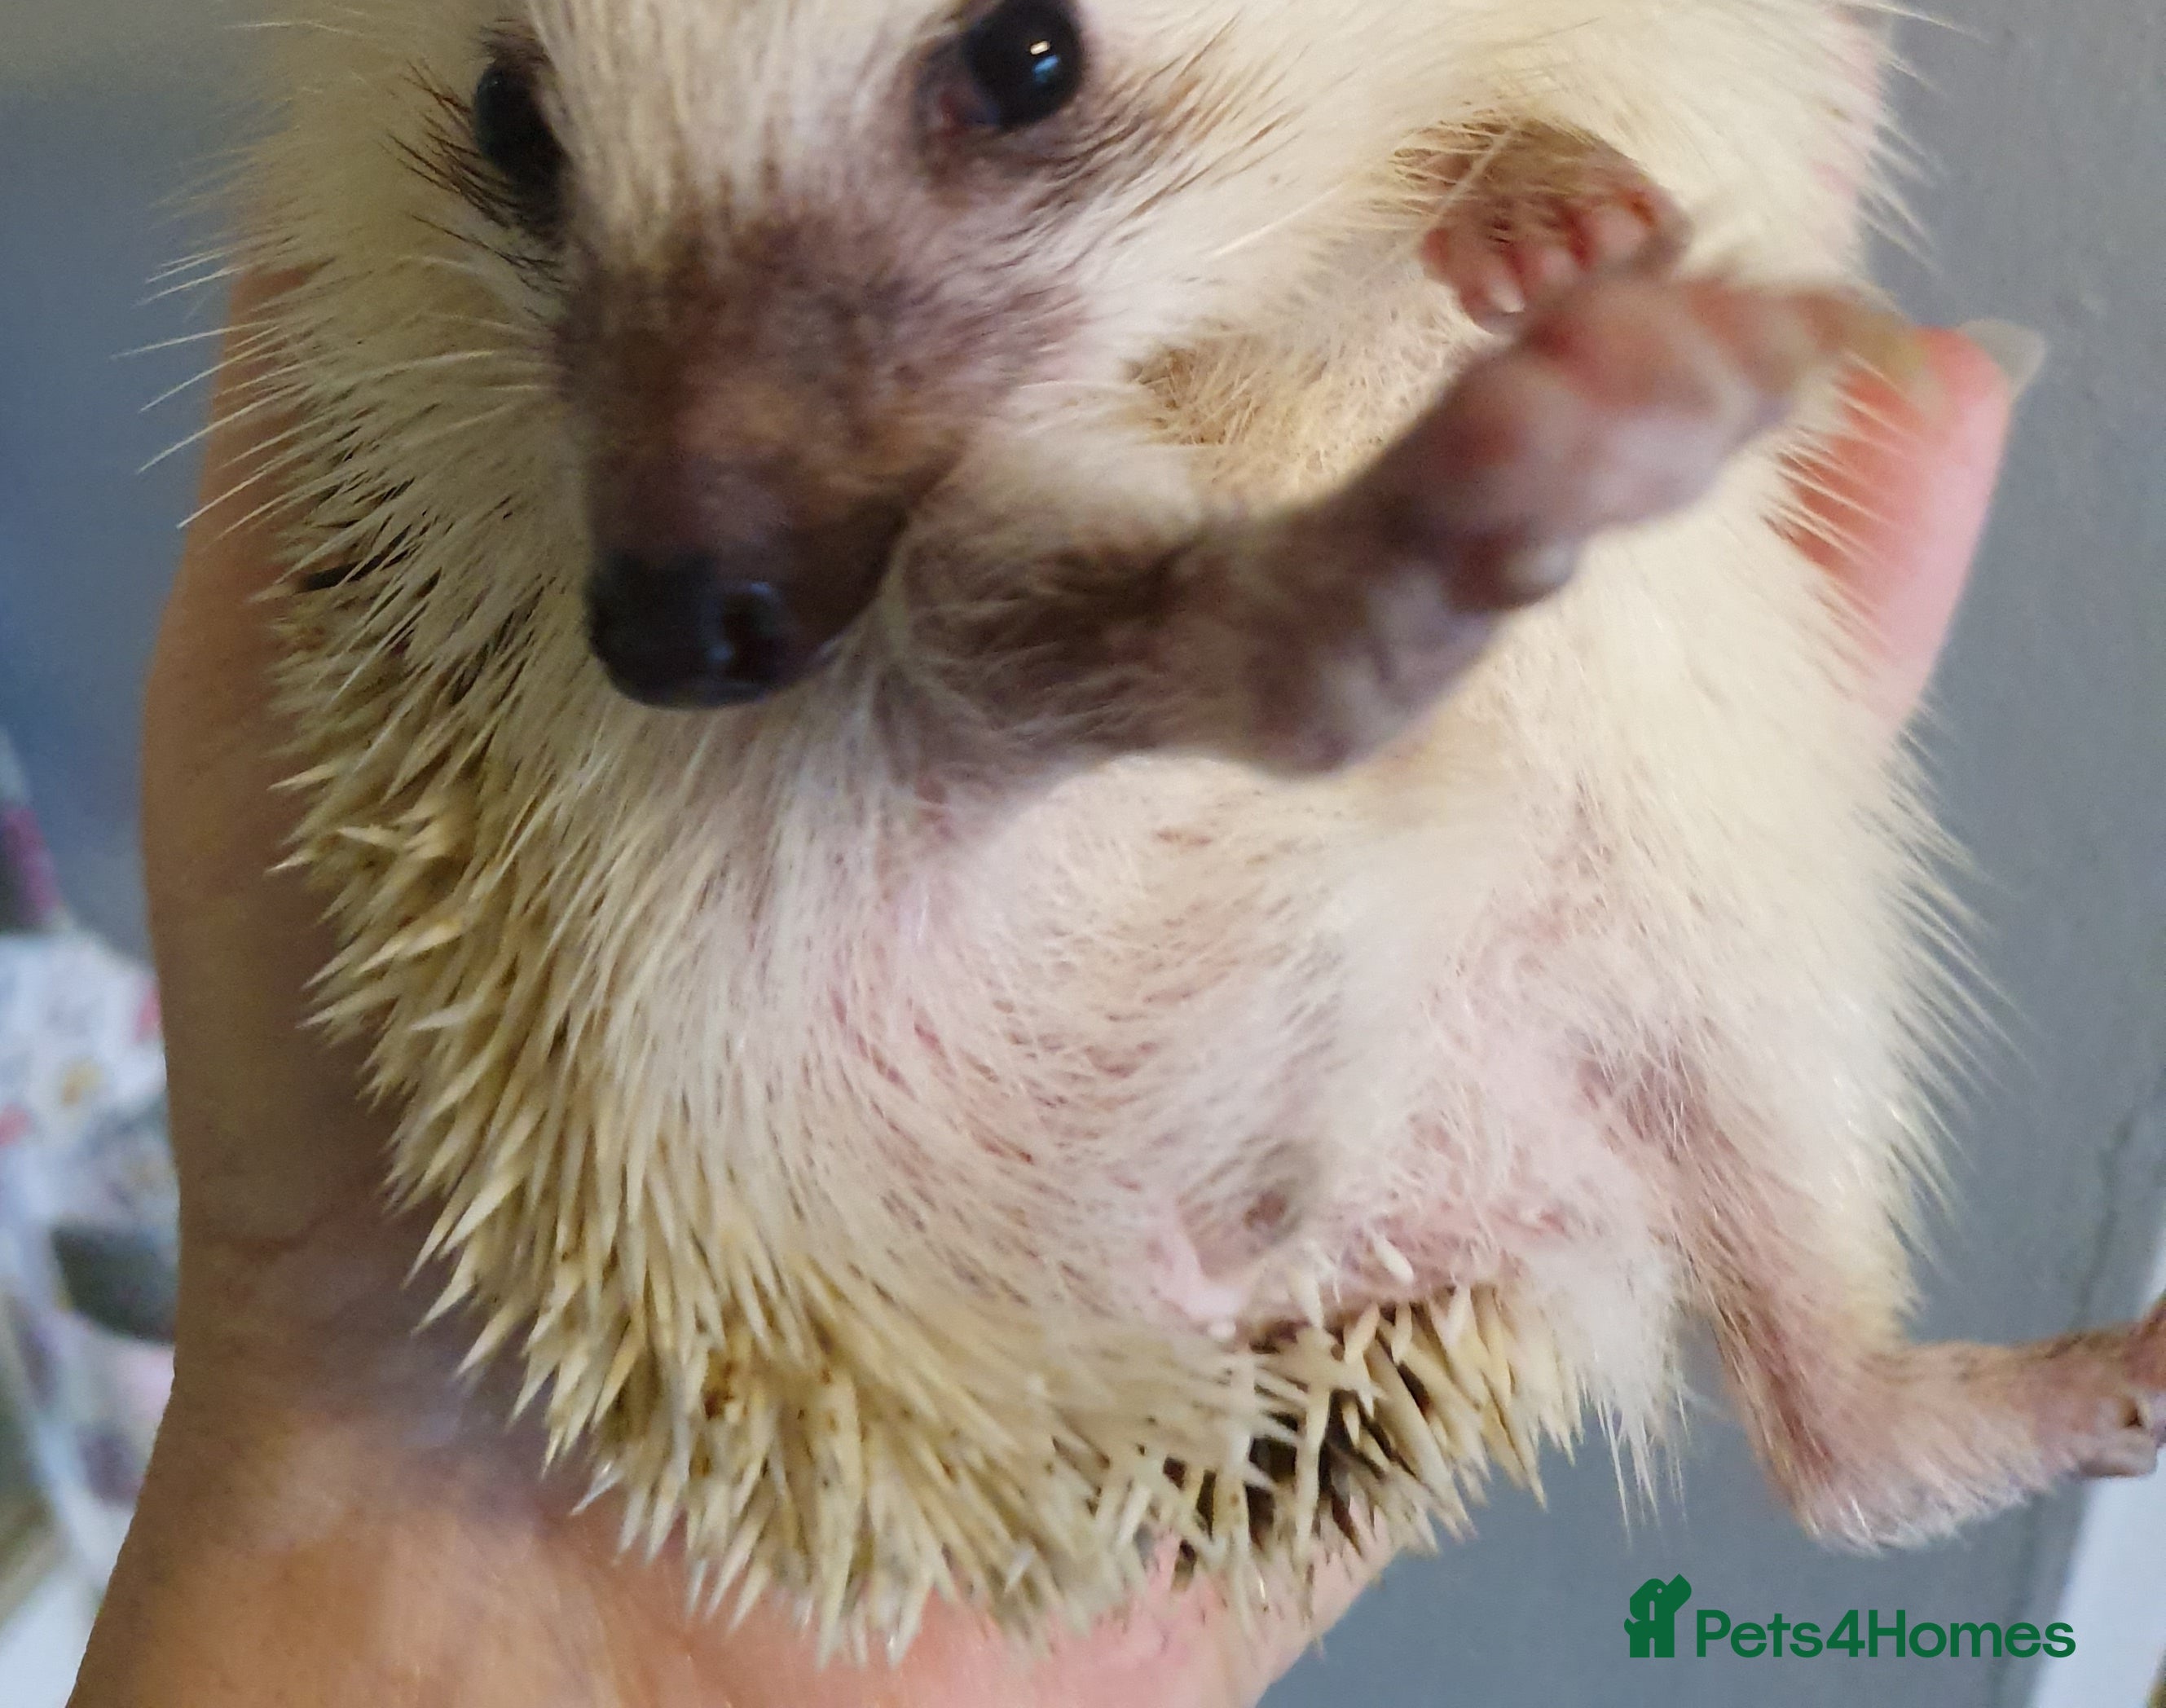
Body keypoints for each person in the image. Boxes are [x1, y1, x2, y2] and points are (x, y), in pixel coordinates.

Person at [73, 278, 2027, 1707]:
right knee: (898, 635)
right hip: (889, 1071)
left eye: (1007, 70)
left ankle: (1825, 1380)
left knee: (1678, 912)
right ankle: (1215, 650)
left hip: (1151, 1058)